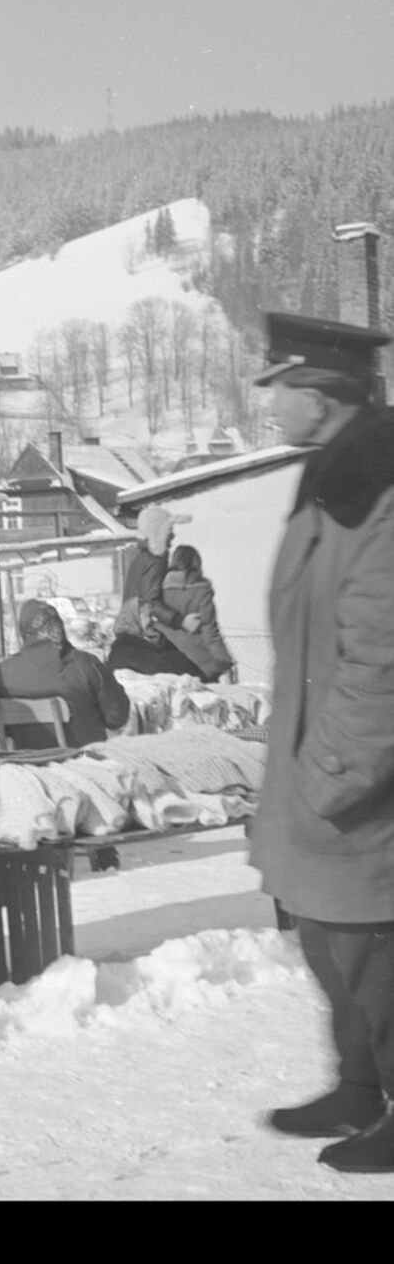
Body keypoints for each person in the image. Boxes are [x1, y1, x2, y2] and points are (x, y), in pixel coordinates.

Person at [246, 311, 394, 1173]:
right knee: (332, 946)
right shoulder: (332, 481)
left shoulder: (375, 492)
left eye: (281, 387)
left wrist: (331, 770)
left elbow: (382, 661)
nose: (269, 405)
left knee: (376, 953)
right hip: (318, 770)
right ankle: (359, 1086)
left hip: (360, 780)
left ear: (324, 395)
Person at [0, 599, 130, 751]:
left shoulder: (4, 673)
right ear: (60, 627)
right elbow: (117, 717)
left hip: (30, 768)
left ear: (24, 631)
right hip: (86, 764)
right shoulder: (86, 665)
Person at [107, 505, 204, 677]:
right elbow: (151, 602)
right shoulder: (156, 560)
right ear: (159, 532)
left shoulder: (140, 558)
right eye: (169, 530)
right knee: (195, 673)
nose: (173, 535)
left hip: (132, 632)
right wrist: (181, 621)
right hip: (145, 635)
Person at [154, 545, 234, 682]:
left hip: (165, 658)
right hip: (198, 663)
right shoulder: (201, 591)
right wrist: (224, 661)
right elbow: (210, 631)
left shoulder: (158, 589)